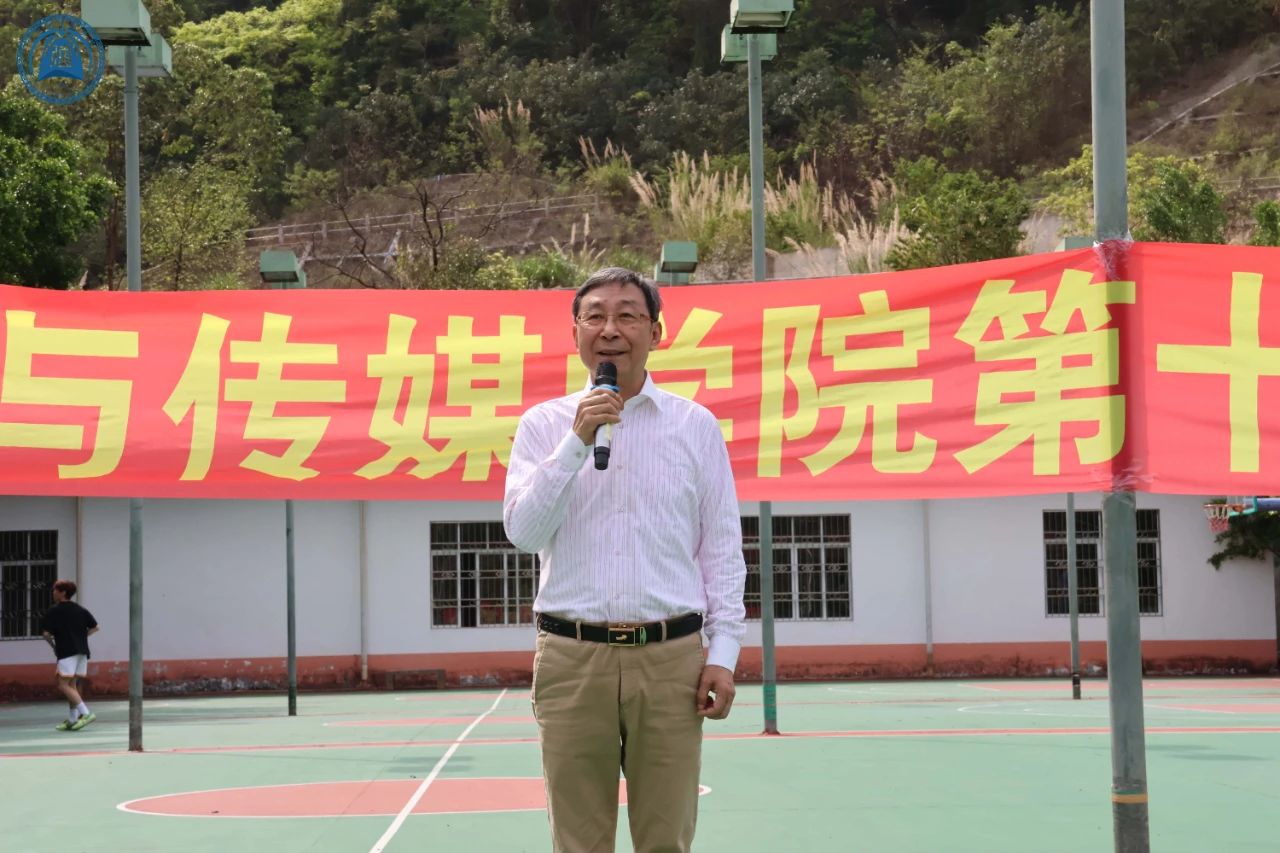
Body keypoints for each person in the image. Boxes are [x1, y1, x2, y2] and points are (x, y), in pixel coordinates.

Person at [504, 267, 746, 853]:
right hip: (571, 659)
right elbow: (525, 533)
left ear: (655, 332)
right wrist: (576, 442)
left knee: (666, 839)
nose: (610, 329)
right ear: (576, 333)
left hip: (671, 661)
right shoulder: (543, 425)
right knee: (579, 842)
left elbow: (721, 548)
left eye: (627, 316)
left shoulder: (694, 426)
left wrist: (724, 654)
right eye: (595, 316)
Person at [40, 580, 99, 732]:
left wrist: (54, 646)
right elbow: (95, 627)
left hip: (66, 652)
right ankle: (73, 720)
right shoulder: (80, 609)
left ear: (63, 593)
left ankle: (86, 713)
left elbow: (46, 634)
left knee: (63, 684)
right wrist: (81, 637)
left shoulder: (54, 611)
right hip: (82, 652)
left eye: (56, 590)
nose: (53, 592)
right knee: (72, 686)